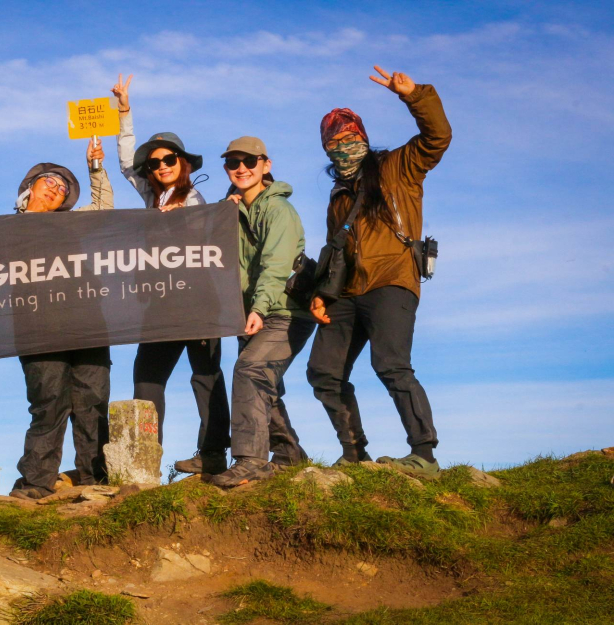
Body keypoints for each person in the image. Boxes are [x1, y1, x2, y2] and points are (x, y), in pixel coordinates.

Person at [306, 66, 452, 479]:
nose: (343, 146)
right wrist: (321, 293)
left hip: (393, 280)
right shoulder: (338, 197)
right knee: (323, 371)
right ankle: (355, 453)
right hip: (348, 293)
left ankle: (424, 454)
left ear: (364, 138)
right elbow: (335, 252)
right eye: (334, 141)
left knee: (390, 364)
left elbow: (437, 137)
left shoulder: (398, 167)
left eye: (350, 137)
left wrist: (413, 95)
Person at [111, 74, 231, 476]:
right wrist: (123, 112)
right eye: (155, 162)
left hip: (199, 302)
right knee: (146, 379)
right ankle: (144, 458)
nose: (160, 166)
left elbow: (211, 238)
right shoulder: (150, 197)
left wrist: (185, 220)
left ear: (183, 164)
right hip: (160, 302)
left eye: (168, 160)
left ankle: (213, 454)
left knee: (206, 376)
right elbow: (128, 164)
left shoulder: (196, 199)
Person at [210, 137, 318, 488]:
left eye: (249, 161)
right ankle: (289, 455)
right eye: (232, 162)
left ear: (265, 165)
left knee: (250, 371)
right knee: (262, 385)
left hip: (286, 312)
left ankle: (251, 460)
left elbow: (275, 266)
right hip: (251, 313)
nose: (241, 168)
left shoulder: (279, 210)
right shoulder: (232, 209)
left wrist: (256, 308)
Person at [10, 139, 115, 500]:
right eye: (50, 182)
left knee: (92, 400)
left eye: (63, 188)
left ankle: (94, 479)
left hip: (87, 323)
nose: (56, 189)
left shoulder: (74, 224)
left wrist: (96, 169)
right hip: (37, 330)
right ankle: (37, 482)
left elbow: (103, 206)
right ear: (30, 187)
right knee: (48, 401)